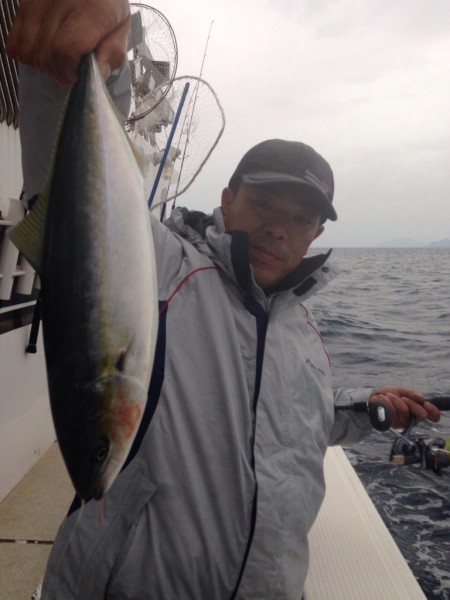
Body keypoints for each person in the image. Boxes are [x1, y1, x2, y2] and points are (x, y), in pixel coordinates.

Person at [7, 3, 440, 598]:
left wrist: (366, 409)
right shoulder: (163, 267)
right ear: (227, 200)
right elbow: (67, 202)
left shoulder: (302, 328)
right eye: (262, 205)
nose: (278, 229)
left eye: (300, 219)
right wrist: (88, 57)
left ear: (317, 232)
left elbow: (292, 416)